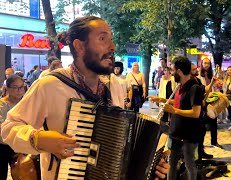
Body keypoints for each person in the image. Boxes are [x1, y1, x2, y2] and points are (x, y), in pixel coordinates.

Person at [1, 16, 169, 180]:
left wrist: (150, 165)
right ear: (79, 46)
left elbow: (121, 139)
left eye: (112, 39)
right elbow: (9, 128)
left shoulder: (115, 85)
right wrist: (39, 139)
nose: (112, 47)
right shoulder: (49, 85)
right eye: (103, 39)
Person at [150, 56, 202, 180]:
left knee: (190, 164)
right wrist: (161, 99)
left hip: (188, 135)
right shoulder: (180, 86)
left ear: (179, 71)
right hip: (175, 132)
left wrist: (174, 111)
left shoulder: (195, 87)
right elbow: (180, 102)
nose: (171, 73)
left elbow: (196, 112)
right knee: (171, 164)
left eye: (173, 70)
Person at [0, 75, 26, 179]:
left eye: (21, 87)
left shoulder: (26, 102)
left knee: (22, 173)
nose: (19, 91)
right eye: (15, 87)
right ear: (8, 89)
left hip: (21, 143)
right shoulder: (2, 104)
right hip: (4, 144)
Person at [198, 58, 223, 149]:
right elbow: (202, 88)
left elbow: (215, 88)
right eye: (205, 63)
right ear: (202, 64)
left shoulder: (211, 75)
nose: (207, 65)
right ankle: (200, 143)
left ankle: (214, 141)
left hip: (211, 100)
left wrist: (218, 84)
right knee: (202, 124)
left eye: (208, 63)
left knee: (214, 122)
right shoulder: (198, 76)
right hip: (203, 100)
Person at [191, 63, 213, 159]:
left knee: (202, 132)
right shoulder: (190, 82)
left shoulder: (198, 80)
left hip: (200, 111)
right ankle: (195, 156)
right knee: (196, 135)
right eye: (194, 69)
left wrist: (212, 83)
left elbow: (204, 91)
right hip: (194, 111)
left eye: (196, 69)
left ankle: (201, 151)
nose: (196, 70)